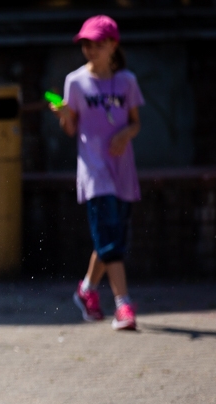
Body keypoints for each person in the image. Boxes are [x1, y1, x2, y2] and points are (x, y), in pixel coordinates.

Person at [52, 15, 143, 331]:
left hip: (122, 169)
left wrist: (125, 134)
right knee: (110, 238)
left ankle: (87, 289)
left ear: (113, 45)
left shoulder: (127, 81)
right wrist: (65, 115)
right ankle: (123, 305)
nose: (90, 50)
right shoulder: (75, 82)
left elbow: (135, 122)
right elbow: (71, 129)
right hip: (94, 169)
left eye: (97, 44)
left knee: (112, 237)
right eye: (86, 44)